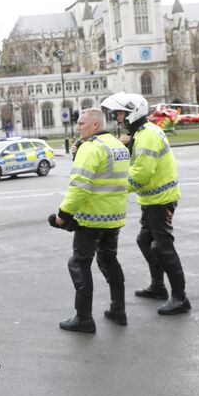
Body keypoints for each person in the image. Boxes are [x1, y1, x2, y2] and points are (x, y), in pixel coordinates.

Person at [101, 92, 191, 315]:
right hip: (151, 200)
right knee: (145, 240)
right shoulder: (141, 133)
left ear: (133, 113)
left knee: (162, 246)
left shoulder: (148, 135)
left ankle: (180, 298)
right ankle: (158, 287)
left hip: (161, 200)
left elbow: (141, 173)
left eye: (121, 113)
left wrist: (114, 189)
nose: (118, 118)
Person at [50, 108, 130, 333]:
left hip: (92, 220)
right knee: (109, 261)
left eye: (81, 123)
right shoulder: (117, 146)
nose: (77, 127)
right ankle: (118, 310)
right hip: (114, 219)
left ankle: (83, 318)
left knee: (79, 264)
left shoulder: (91, 147)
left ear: (95, 125)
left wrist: (63, 215)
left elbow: (79, 186)